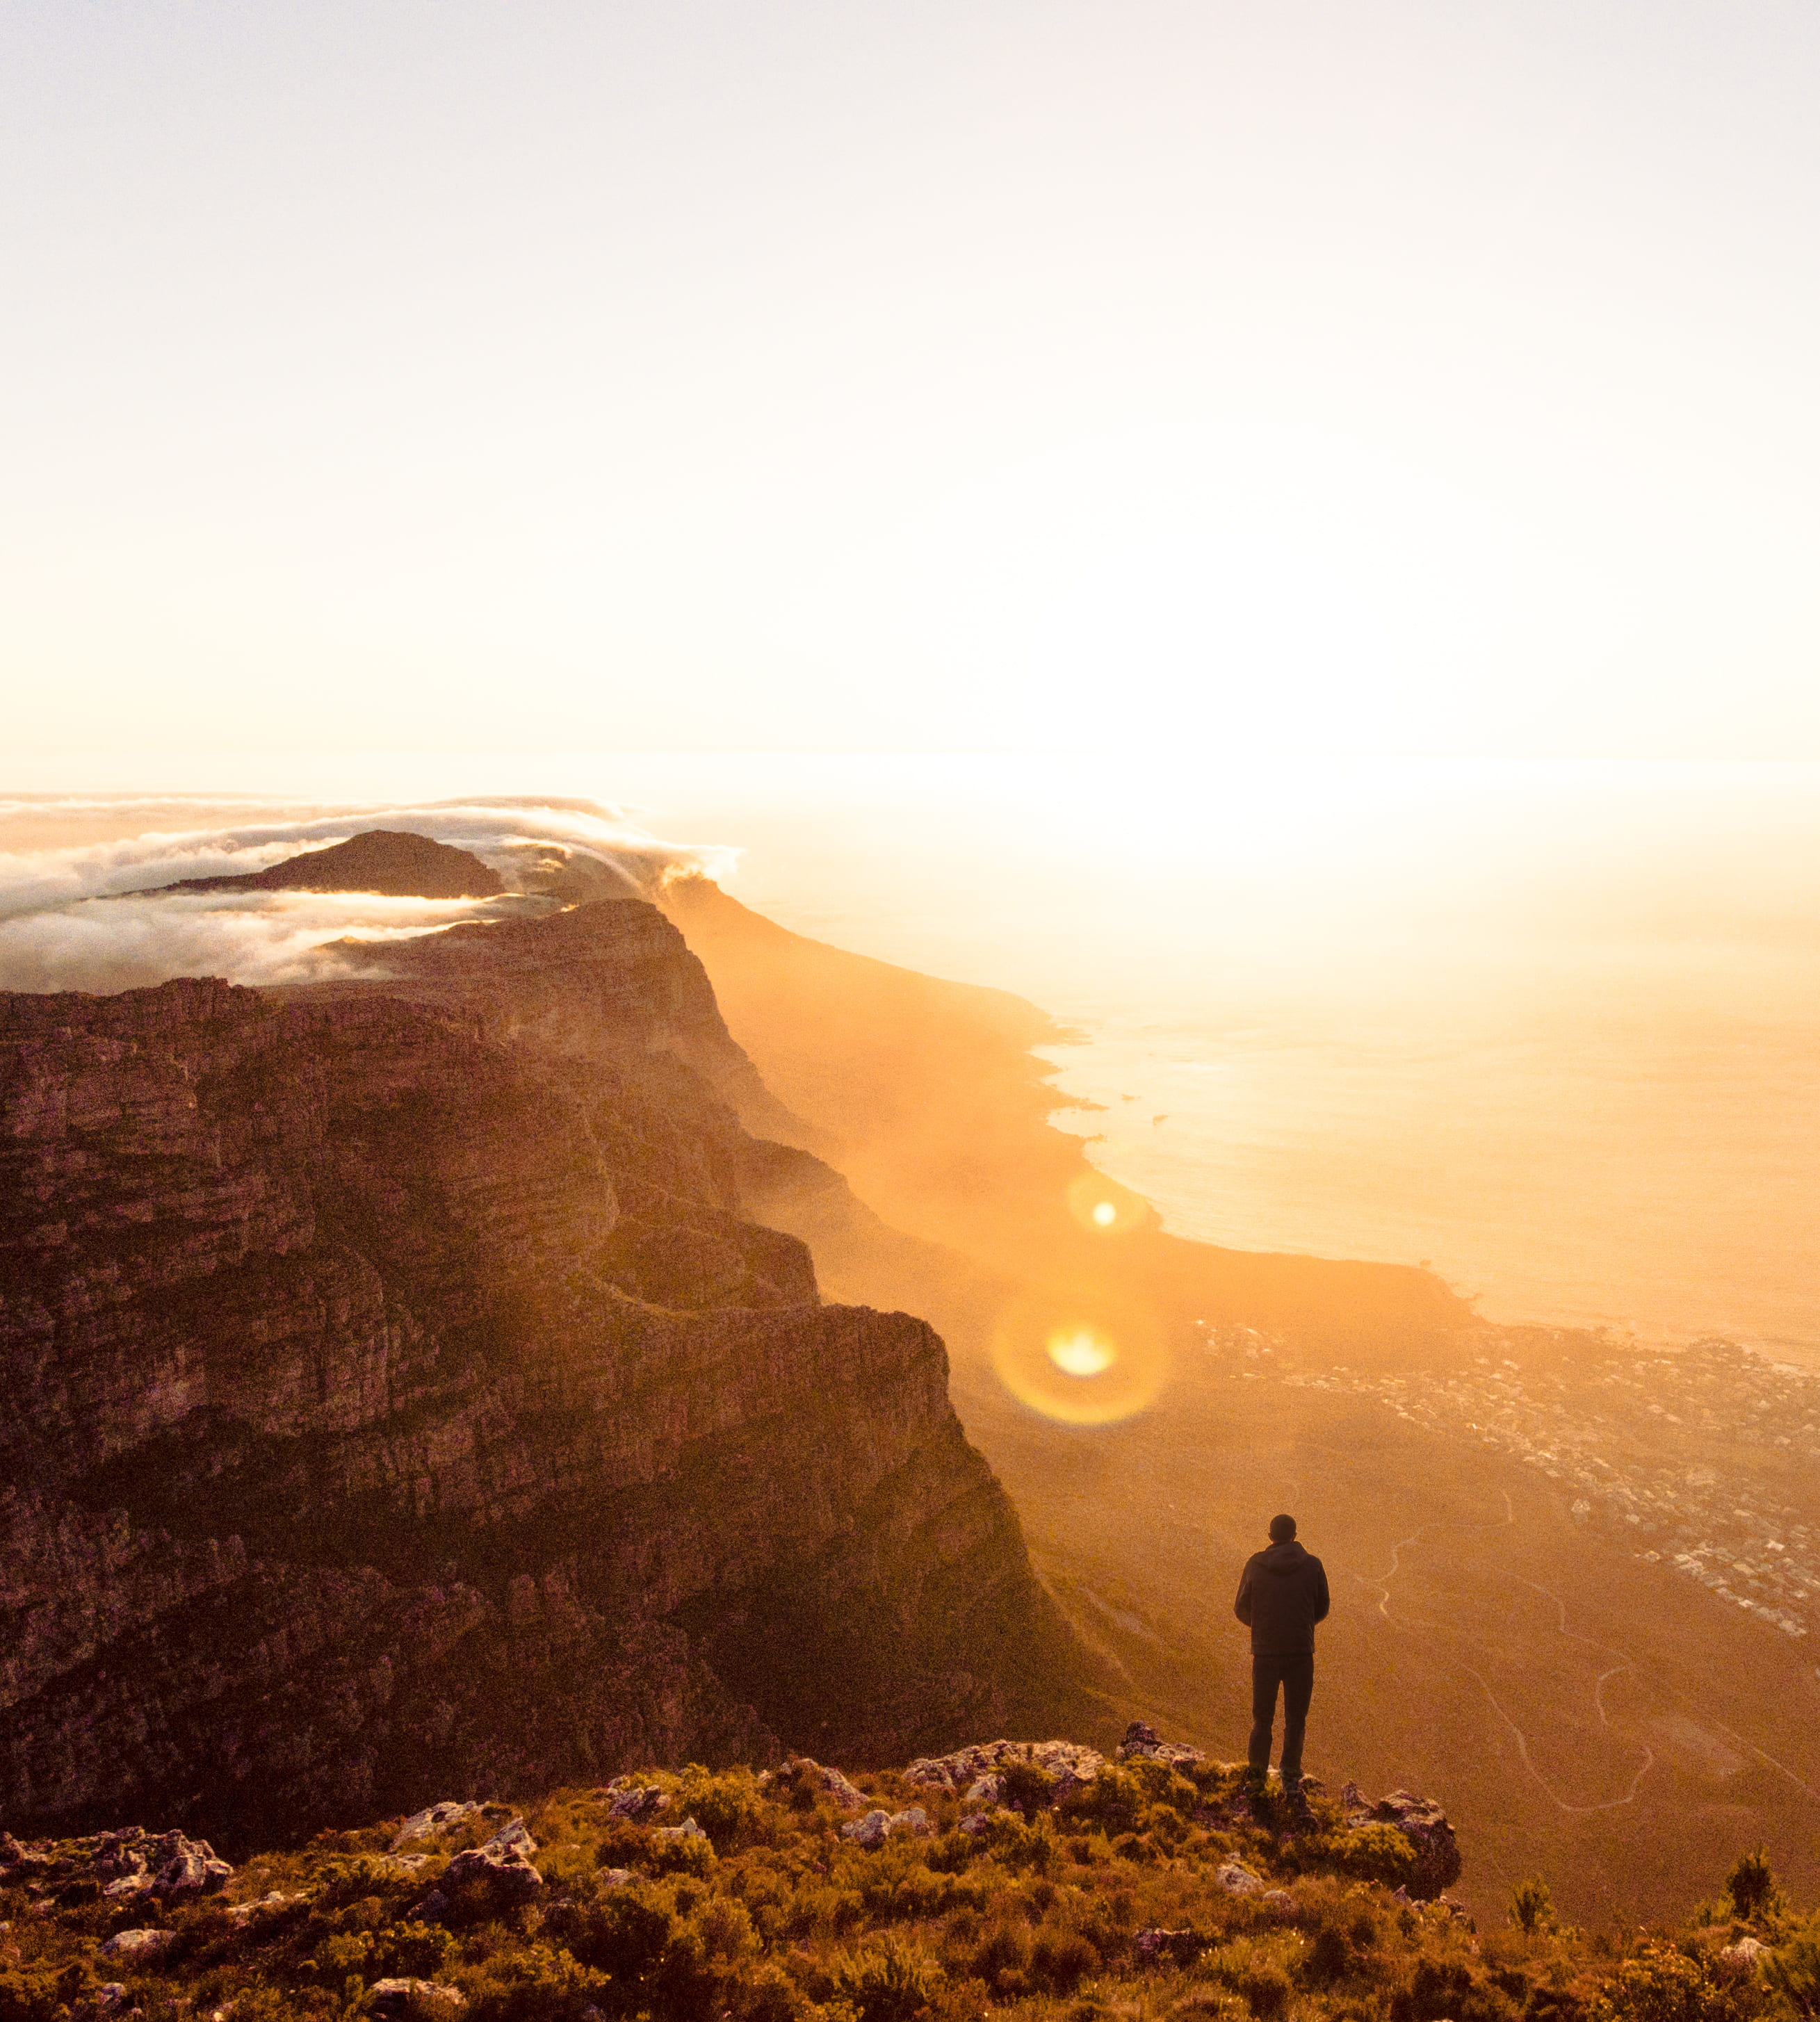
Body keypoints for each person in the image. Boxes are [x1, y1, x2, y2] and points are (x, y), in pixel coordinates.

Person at [1233, 1513, 1329, 1789]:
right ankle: (1289, 1777)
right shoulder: (1313, 1565)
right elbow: (1322, 1606)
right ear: (1295, 1536)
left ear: (1270, 1536)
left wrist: (1262, 1628)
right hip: (1300, 1651)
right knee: (1296, 1719)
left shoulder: (1255, 1564)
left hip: (1264, 1652)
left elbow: (1241, 1607)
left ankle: (1257, 1778)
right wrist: (1302, 1627)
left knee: (1262, 1718)